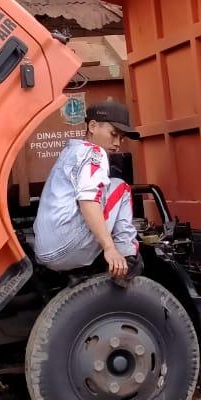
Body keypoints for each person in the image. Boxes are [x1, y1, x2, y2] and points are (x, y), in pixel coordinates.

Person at [33, 99, 141, 279]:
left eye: (121, 138)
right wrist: (109, 249)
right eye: (113, 134)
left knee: (111, 185)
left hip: (44, 251)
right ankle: (127, 257)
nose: (117, 143)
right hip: (67, 247)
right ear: (92, 126)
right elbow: (88, 200)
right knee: (121, 188)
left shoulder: (72, 150)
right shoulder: (94, 153)